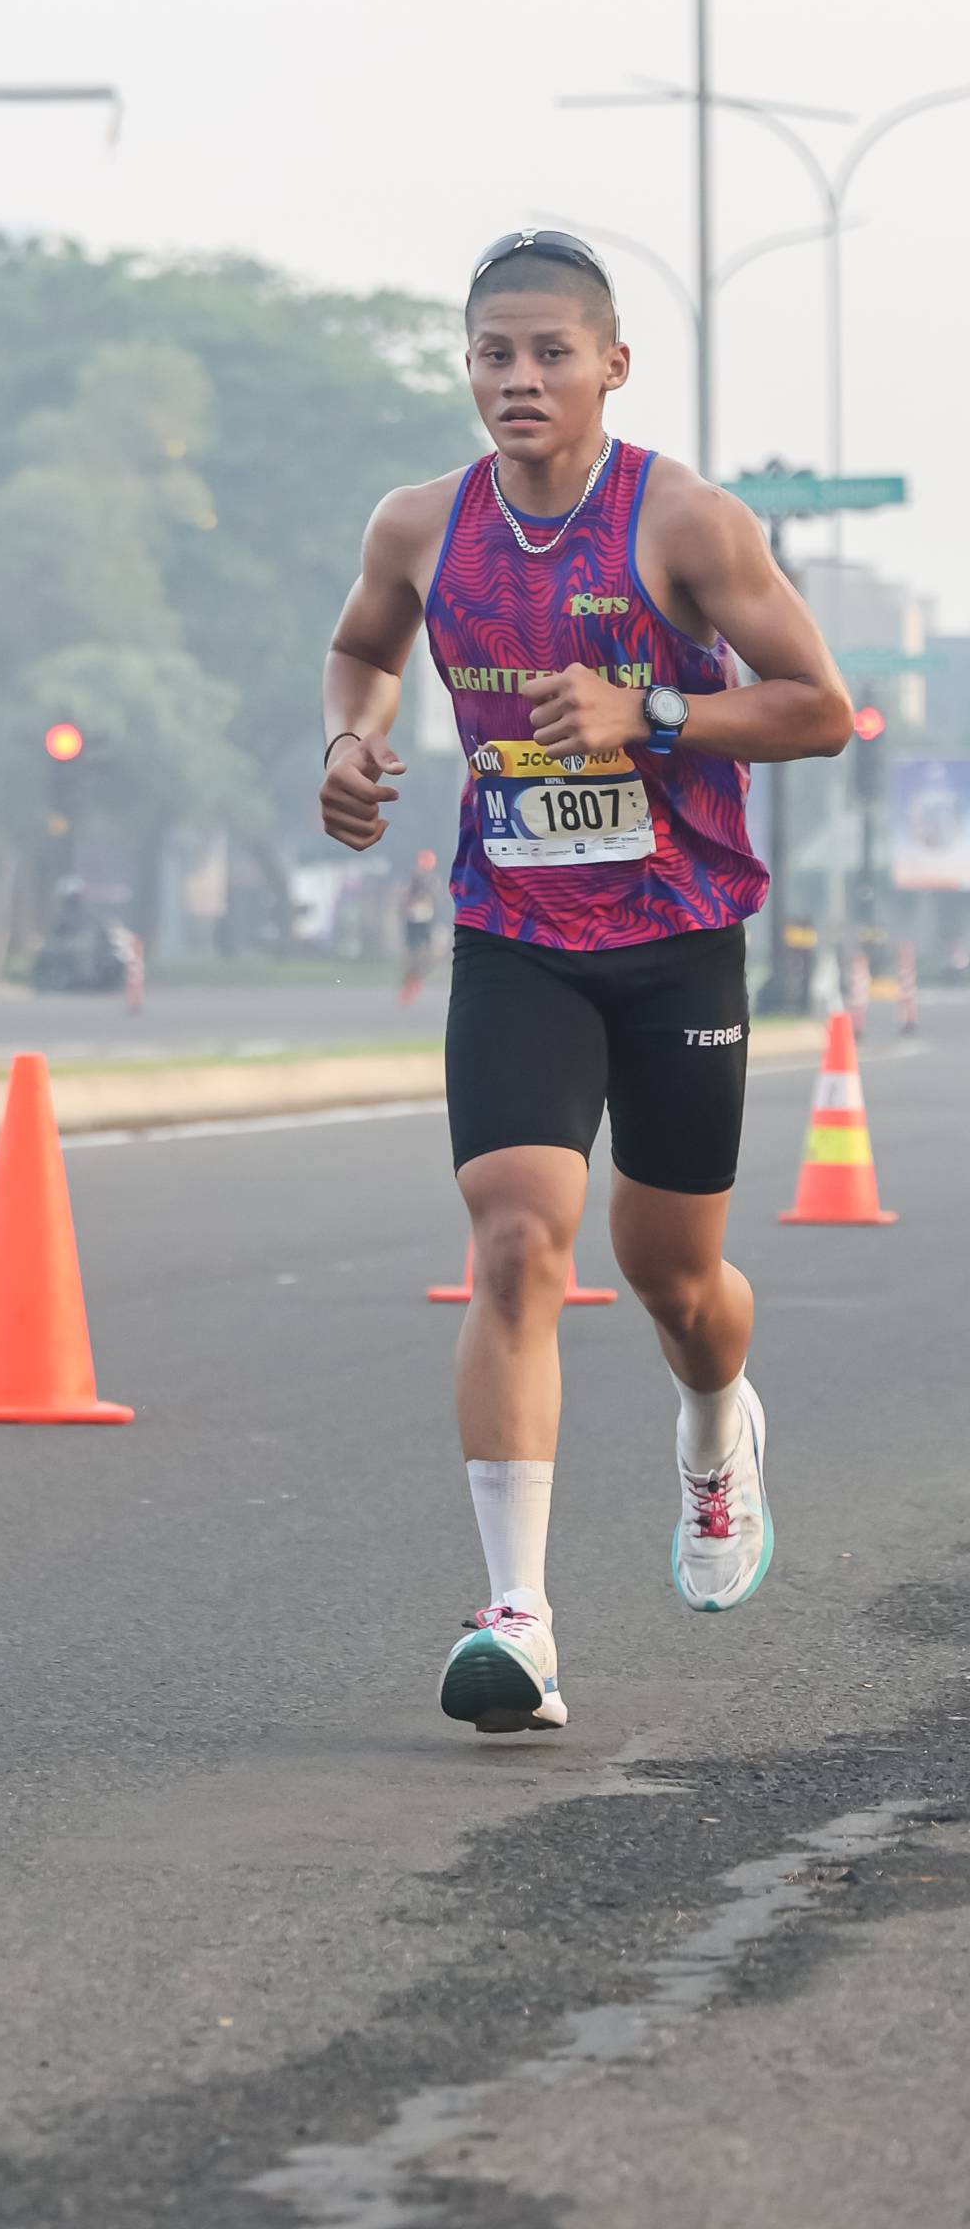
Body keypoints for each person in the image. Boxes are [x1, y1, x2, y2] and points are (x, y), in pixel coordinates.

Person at [320, 228, 851, 1735]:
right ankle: (518, 1619)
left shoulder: (683, 521)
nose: (521, 378)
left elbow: (818, 709)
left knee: (675, 1280)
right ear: (466, 367)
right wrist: (351, 741)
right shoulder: (420, 525)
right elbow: (362, 650)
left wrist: (652, 713)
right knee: (514, 1241)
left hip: (676, 935)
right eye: (494, 354)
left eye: (551, 352)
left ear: (611, 364)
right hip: (516, 932)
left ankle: (715, 1426)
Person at [397, 849, 441, 1006]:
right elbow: (404, 897)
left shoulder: (432, 880)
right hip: (413, 919)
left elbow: (435, 896)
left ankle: (416, 979)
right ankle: (409, 984)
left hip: (426, 919)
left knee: (428, 954)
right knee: (412, 954)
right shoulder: (413, 879)